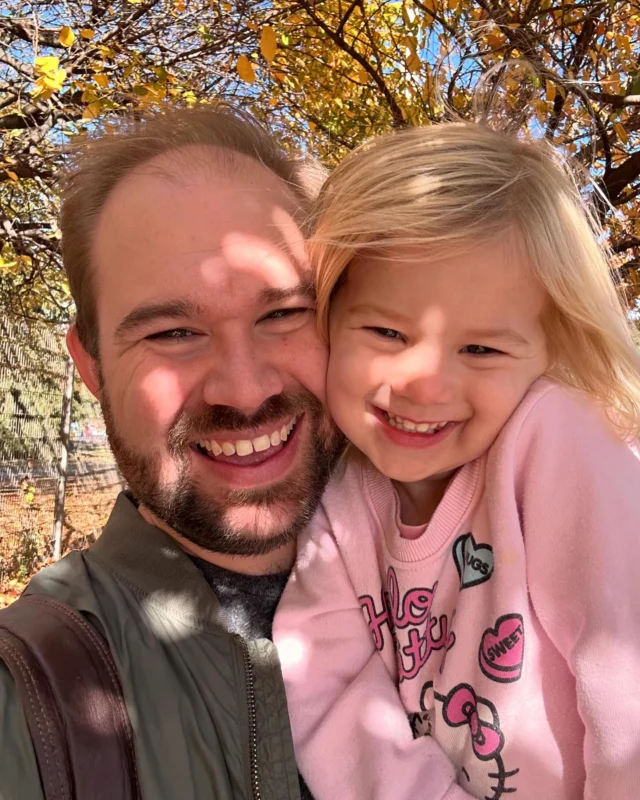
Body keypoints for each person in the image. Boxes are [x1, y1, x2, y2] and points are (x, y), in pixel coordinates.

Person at [274, 123, 640, 800]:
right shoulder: (345, 498)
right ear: (327, 318)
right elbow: (324, 685)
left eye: (482, 351)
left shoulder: (557, 443)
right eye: (387, 331)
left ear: (546, 354)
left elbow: (626, 671)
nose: (423, 382)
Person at [0, 106, 349, 800]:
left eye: (283, 314)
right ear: (91, 364)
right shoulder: (32, 697)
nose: (245, 391)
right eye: (172, 333)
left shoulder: (484, 588)